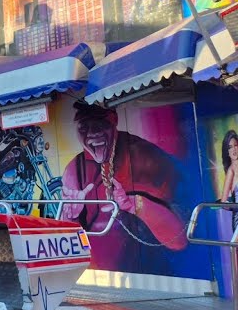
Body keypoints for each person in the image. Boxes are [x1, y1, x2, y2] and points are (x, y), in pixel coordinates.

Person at [59, 101, 188, 271]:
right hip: (95, 278)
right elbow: (66, 247)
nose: (93, 132)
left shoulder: (147, 157)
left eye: (100, 123)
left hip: (150, 273)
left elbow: (179, 240)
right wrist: (72, 217)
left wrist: (136, 205)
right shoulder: (74, 170)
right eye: (84, 126)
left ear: (114, 120)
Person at [221, 130, 238, 205]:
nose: (234, 149)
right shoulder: (231, 171)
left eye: (236, 145)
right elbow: (223, 201)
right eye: (230, 147)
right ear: (227, 152)